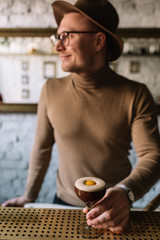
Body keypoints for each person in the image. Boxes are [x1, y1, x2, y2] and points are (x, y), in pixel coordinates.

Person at [2, 0, 160, 233]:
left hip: (115, 211)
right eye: (57, 37)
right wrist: (28, 196)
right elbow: (42, 148)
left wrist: (125, 192)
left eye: (66, 36)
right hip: (63, 207)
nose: (58, 47)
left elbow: (152, 156)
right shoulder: (50, 90)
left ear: (98, 40)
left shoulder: (136, 94)